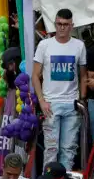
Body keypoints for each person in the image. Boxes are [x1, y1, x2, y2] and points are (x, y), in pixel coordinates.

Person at [31, 9, 87, 169]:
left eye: (65, 25)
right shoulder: (44, 45)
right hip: (51, 103)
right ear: (55, 24)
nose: (62, 28)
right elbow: (35, 75)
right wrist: (42, 101)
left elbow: (83, 75)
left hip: (71, 103)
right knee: (51, 149)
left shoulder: (79, 45)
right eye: (59, 24)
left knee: (68, 149)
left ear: (72, 26)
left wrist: (82, 99)